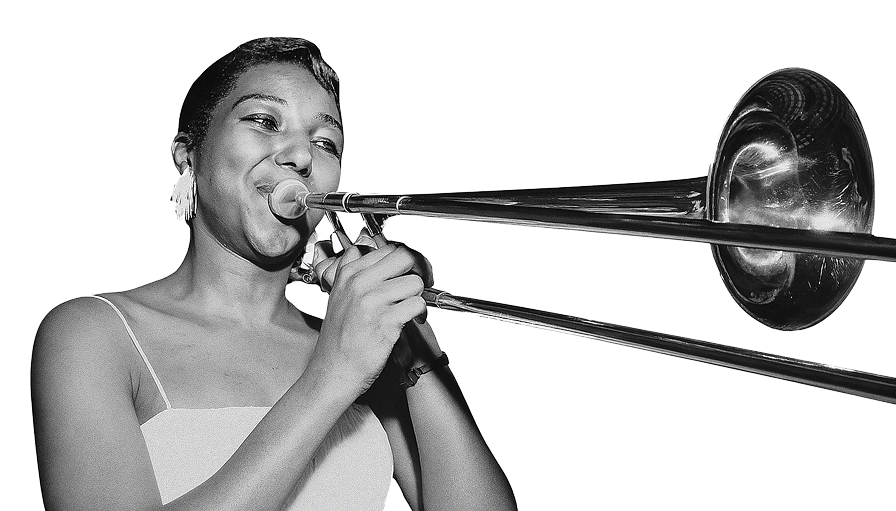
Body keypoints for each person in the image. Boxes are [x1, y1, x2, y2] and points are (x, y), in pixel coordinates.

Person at [31, 36, 517, 511]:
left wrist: (409, 329)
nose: (302, 157)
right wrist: (335, 373)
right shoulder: (90, 332)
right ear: (187, 154)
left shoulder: (363, 341)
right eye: (264, 120)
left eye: (327, 143)